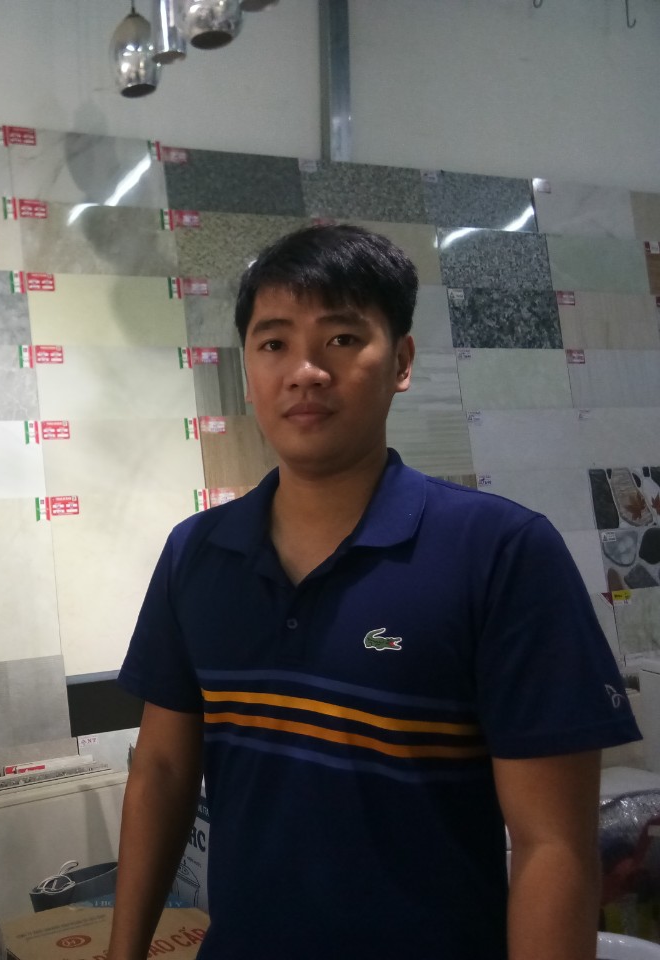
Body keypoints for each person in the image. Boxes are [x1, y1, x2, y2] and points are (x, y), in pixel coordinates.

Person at [106, 224, 640, 960]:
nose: (305, 372)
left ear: (402, 362)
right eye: (274, 343)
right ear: (248, 369)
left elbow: (553, 844)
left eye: (341, 339)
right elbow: (162, 772)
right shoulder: (195, 554)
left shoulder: (501, 553)